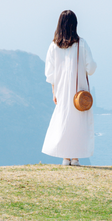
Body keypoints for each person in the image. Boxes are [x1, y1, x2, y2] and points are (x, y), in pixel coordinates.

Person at [41, 10, 96, 166]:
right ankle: (76, 158)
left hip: (61, 91)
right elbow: (90, 68)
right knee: (78, 122)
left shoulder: (53, 46)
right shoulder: (81, 44)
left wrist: (54, 91)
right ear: (75, 25)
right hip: (79, 92)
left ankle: (65, 157)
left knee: (63, 120)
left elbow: (49, 72)